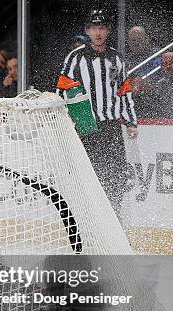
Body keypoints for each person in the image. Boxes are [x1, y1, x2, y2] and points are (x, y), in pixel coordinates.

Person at [56, 9, 137, 220]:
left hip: (110, 126)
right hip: (85, 126)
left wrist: (130, 122)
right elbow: (62, 90)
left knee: (117, 175)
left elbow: (124, 90)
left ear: (108, 31)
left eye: (102, 28)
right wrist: (63, 120)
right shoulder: (75, 57)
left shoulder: (116, 58)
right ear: (87, 31)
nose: (98, 33)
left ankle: (113, 220)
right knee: (87, 176)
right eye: (93, 28)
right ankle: (88, 220)